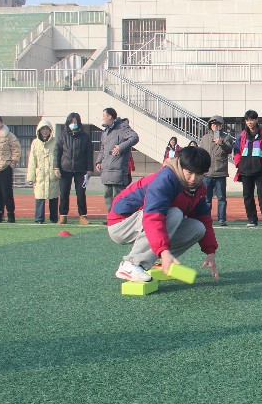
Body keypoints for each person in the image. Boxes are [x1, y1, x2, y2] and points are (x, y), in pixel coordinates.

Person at [108, 146, 219, 283]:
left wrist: (210, 252)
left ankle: (157, 261)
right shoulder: (165, 179)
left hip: (144, 221)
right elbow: (153, 217)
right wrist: (164, 250)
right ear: (180, 166)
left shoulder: (198, 189)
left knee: (198, 227)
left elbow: (205, 220)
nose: (194, 178)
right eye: (189, 172)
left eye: (199, 174)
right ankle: (131, 264)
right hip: (121, 224)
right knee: (175, 213)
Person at [233, 109, 262, 227]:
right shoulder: (241, 136)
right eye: (247, 120)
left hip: (260, 170)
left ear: (256, 120)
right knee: (247, 195)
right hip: (245, 170)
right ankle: (252, 219)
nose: (249, 122)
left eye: (251, 119)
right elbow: (236, 152)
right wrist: (239, 164)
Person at [96, 107, 139, 214]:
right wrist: (98, 161)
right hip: (107, 168)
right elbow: (103, 148)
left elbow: (134, 137)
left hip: (118, 168)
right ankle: (110, 216)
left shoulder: (123, 127)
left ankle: (119, 216)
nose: (103, 118)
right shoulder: (105, 131)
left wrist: (121, 147)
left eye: (104, 116)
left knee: (118, 195)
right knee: (107, 195)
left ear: (110, 117)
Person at [54, 112, 93, 226]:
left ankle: (83, 216)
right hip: (65, 169)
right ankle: (63, 216)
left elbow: (89, 154)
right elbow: (57, 152)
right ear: (68, 123)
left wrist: (89, 169)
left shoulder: (85, 137)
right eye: (72, 122)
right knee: (64, 193)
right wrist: (56, 167)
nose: (74, 124)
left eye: (76, 122)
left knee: (81, 194)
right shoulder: (62, 136)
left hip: (81, 169)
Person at [200, 115, 234, 227]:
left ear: (221, 126)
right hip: (207, 173)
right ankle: (206, 218)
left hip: (220, 172)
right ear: (210, 125)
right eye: (214, 125)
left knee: (221, 198)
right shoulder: (204, 138)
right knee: (206, 198)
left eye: (218, 125)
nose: (216, 127)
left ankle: (222, 219)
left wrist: (222, 143)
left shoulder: (226, 137)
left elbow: (229, 150)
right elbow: (201, 153)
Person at [26, 118, 59, 224]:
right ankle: (39, 218)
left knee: (53, 197)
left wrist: (57, 170)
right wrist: (31, 177)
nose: (45, 131)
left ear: (50, 130)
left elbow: (58, 157)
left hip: (52, 174)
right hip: (40, 174)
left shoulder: (55, 141)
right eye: (43, 129)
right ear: (39, 130)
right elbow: (32, 160)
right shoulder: (35, 143)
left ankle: (54, 218)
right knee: (40, 196)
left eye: (47, 129)